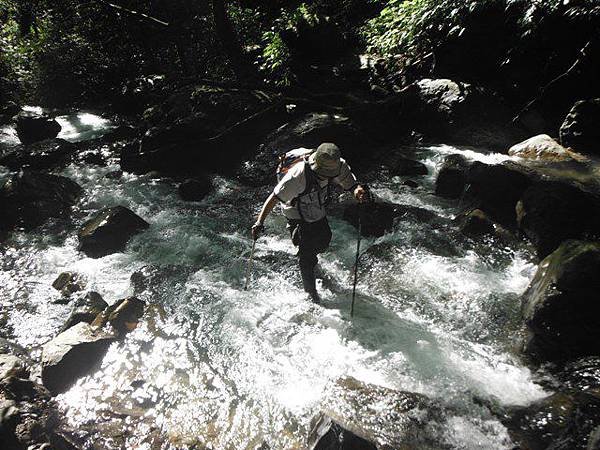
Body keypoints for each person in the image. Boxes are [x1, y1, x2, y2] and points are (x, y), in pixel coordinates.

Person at [251, 142, 368, 303]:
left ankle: (312, 262)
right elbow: (273, 198)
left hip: (316, 206)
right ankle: (312, 297)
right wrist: (259, 223)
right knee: (306, 255)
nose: (328, 176)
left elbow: (349, 182)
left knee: (324, 239)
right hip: (295, 212)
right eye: (325, 173)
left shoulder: (337, 164)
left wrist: (356, 190)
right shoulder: (297, 176)